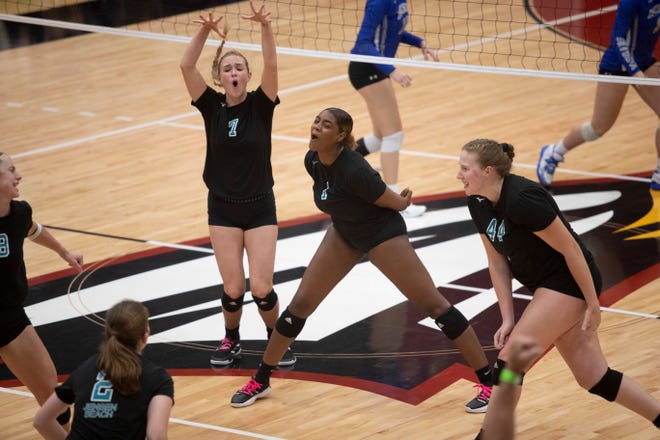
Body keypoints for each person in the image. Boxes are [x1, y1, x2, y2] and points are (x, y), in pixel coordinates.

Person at [230, 108, 494, 411]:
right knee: (299, 306)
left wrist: (404, 200)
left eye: (325, 125)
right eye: (316, 121)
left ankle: (488, 382)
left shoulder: (355, 169)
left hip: (381, 235)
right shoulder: (312, 160)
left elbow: (392, 203)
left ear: (341, 136)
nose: (316, 127)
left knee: (435, 306)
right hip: (344, 231)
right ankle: (261, 379)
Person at [458, 138, 660, 438]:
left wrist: (593, 304)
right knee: (595, 378)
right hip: (545, 286)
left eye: (464, 168)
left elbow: (572, 250)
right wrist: (508, 317)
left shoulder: (524, 199)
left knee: (511, 361)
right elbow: (497, 263)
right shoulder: (477, 202)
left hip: (569, 282)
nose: (458, 174)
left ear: (487, 171)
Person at [179, 1, 295, 367]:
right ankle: (231, 339)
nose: (233, 72)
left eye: (239, 68)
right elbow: (185, 66)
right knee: (233, 288)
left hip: (260, 205)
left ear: (247, 76)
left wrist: (265, 27)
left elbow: (273, 65)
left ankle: (277, 341)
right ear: (220, 77)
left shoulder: (262, 104)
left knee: (260, 287)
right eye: (227, 68)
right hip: (223, 207)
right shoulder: (210, 106)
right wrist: (204, 31)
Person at [537, 0, 660, 190]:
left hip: (644, 62)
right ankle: (553, 152)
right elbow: (618, 38)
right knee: (598, 128)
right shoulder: (631, 2)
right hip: (616, 66)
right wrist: (634, 71)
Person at [0, 151, 83, 429]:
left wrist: (63, 252)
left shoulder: (18, 212)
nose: (18, 175)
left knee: (54, 400)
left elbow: (31, 229)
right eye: (11, 170)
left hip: (9, 316)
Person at [33, 300, 174, 439]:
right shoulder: (157, 378)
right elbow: (156, 436)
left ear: (107, 332)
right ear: (145, 336)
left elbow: (41, 421)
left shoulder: (84, 370)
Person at [348, 0, 439, 217]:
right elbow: (363, 42)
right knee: (394, 135)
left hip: (376, 68)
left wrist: (420, 42)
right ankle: (393, 201)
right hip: (367, 68)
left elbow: (394, 31)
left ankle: (337, 164)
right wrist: (393, 71)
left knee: (382, 137)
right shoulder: (379, 1)